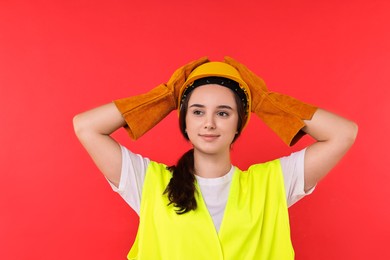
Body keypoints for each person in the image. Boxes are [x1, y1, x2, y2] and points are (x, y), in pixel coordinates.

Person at [73, 57, 358, 259]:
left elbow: (343, 133)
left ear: (238, 124)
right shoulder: (148, 182)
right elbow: (86, 127)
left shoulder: (274, 182)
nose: (209, 123)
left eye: (223, 113)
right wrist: (167, 98)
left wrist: (265, 102)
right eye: (197, 112)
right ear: (184, 122)